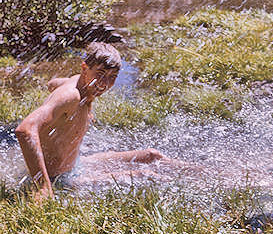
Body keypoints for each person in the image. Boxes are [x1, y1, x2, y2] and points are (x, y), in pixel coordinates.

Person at [15, 42, 164, 200]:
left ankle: (194, 173)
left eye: (112, 77)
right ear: (85, 68)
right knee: (144, 175)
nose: (104, 83)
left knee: (152, 155)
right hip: (59, 179)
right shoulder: (70, 96)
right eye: (100, 74)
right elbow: (25, 129)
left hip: (76, 164)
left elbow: (53, 83)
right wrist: (43, 187)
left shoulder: (77, 83)